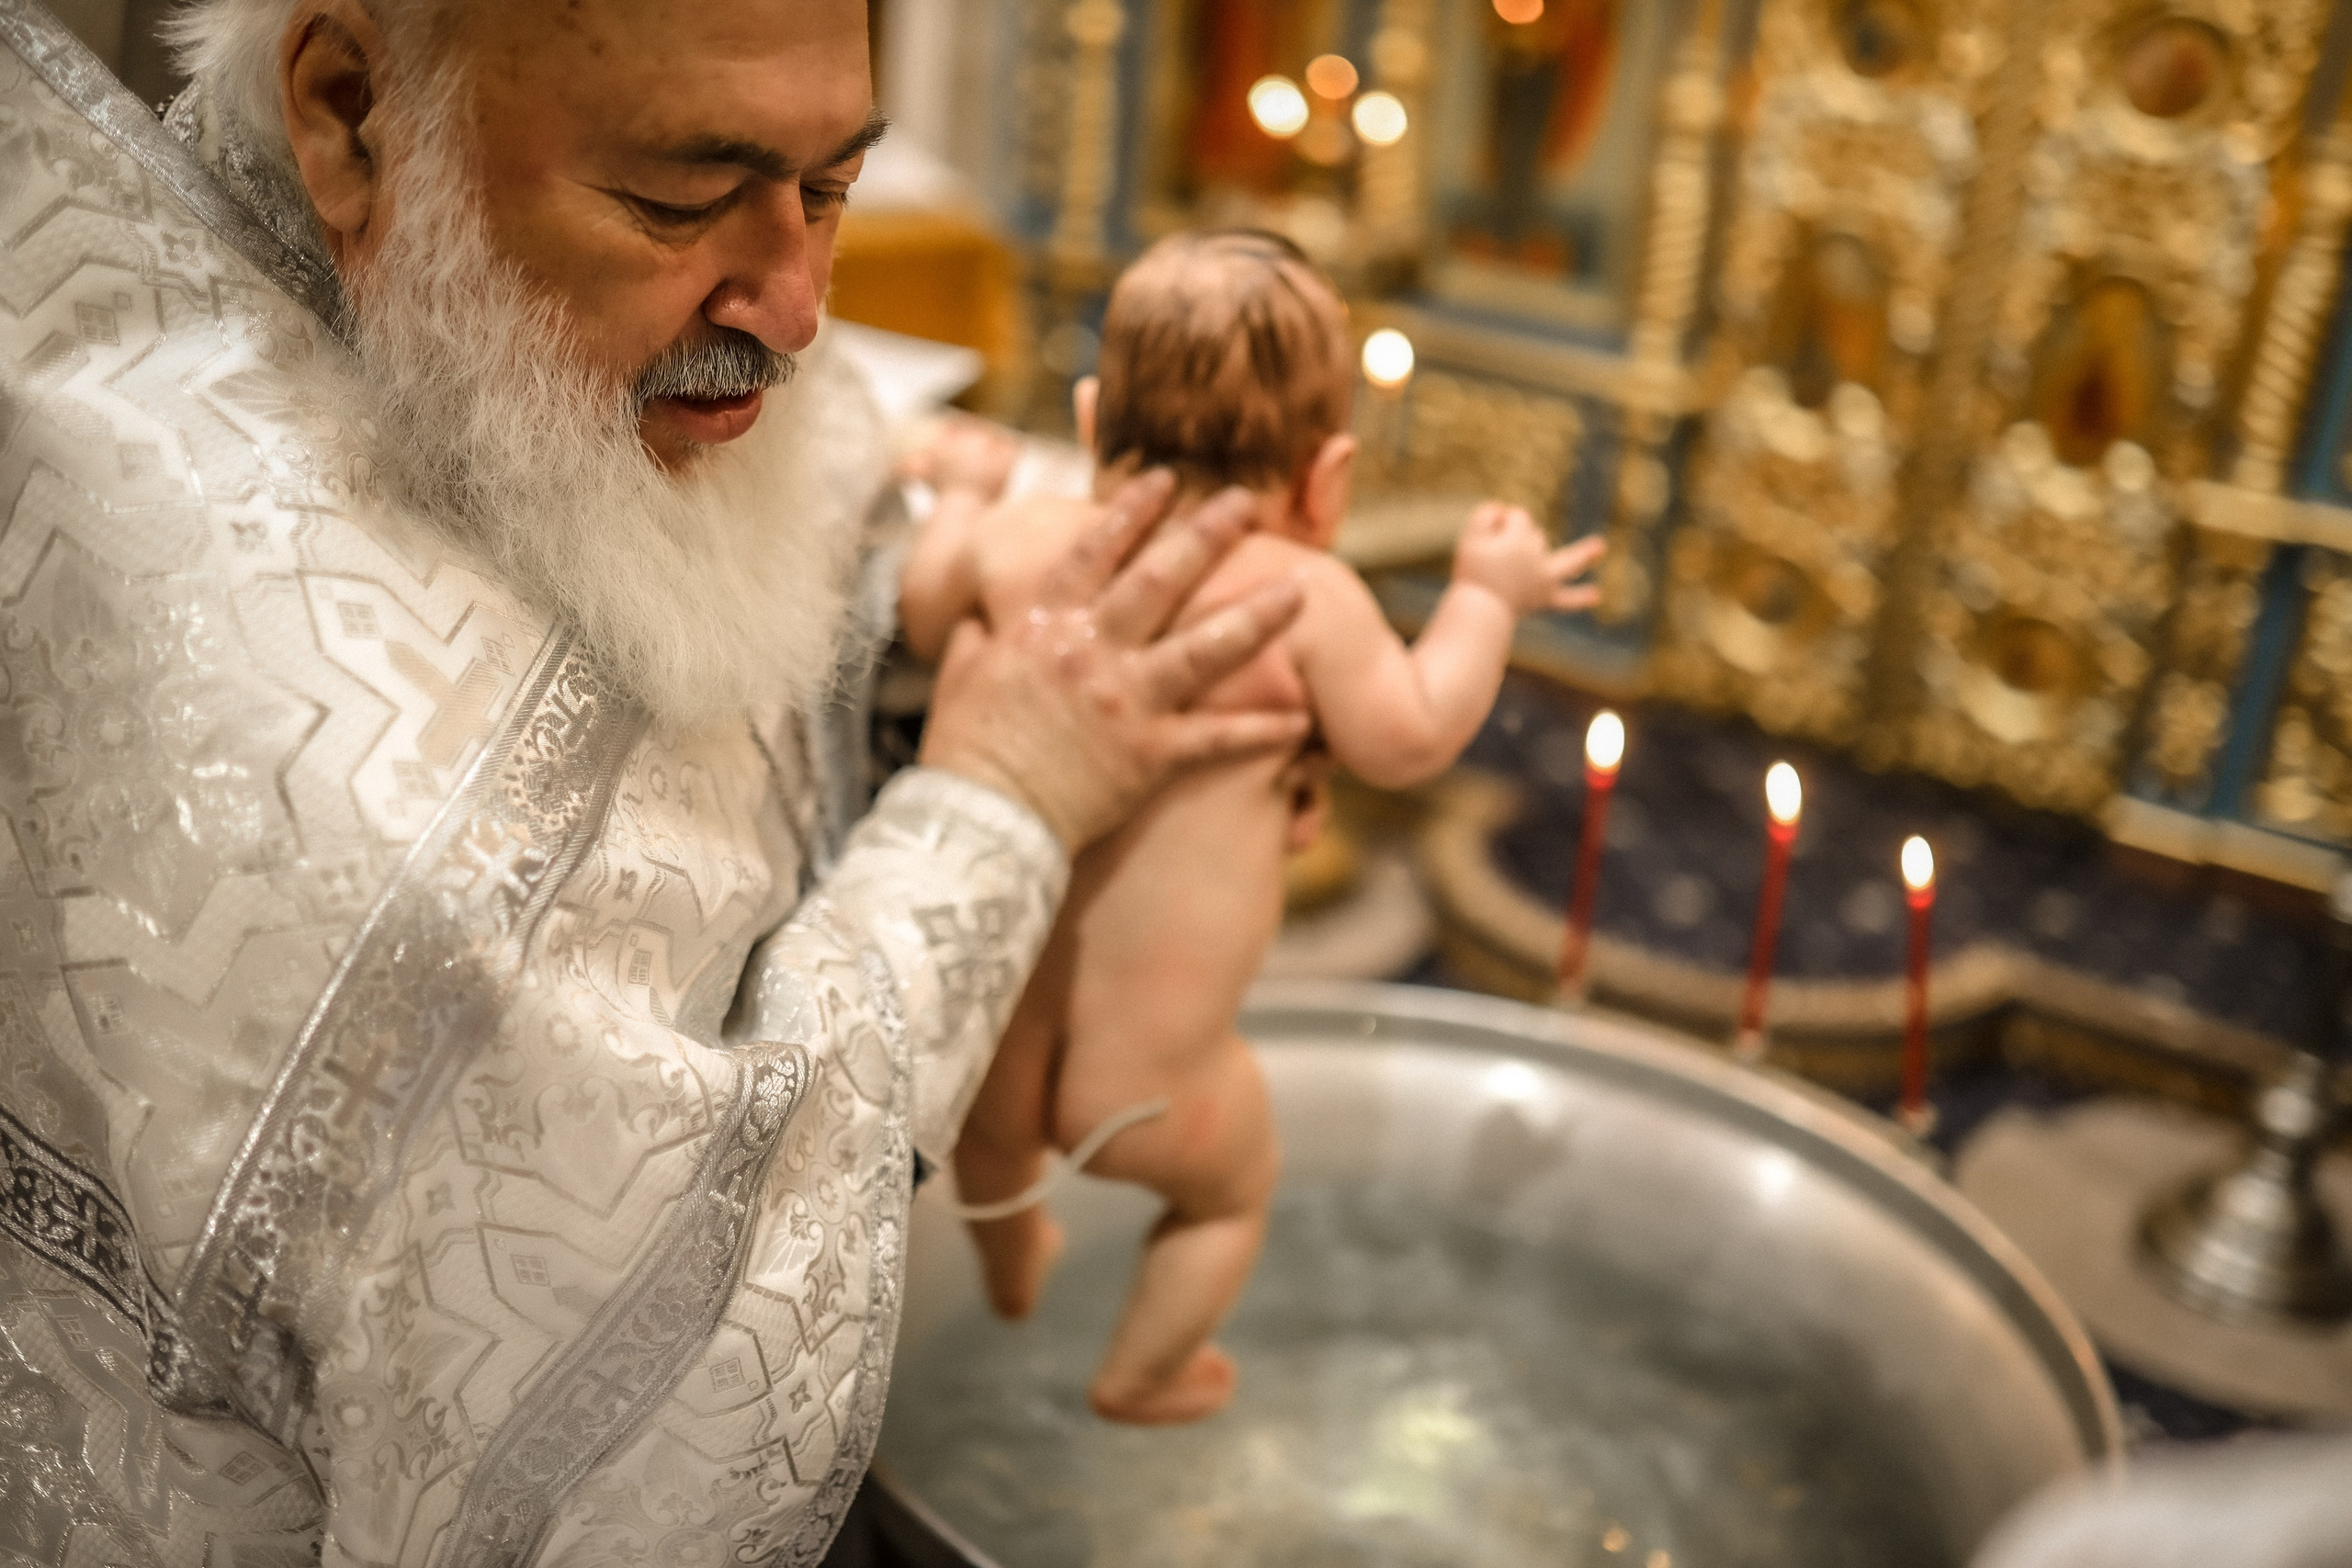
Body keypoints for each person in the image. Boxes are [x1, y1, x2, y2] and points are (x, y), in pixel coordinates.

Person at [0, 4, 1312, 1566]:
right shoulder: (341, 809)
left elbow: (661, 601)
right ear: (352, 117)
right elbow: (674, 1386)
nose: (803, 311)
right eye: (685, 204)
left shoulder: (461, 302)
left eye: (831, 191)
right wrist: (1004, 795)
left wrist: (903, 599)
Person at [898, 231, 1605, 1424]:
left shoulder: (1022, 543)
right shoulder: (1308, 599)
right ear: (1327, 479)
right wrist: (1486, 597)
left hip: (989, 1046)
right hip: (1159, 1080)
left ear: (1086, 422)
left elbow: (920, 619)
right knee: (1227, 1195)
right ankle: (1146, 1370)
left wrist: (964, 493)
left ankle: (1011, 1267)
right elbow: (1410, 736)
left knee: (994, 1151)